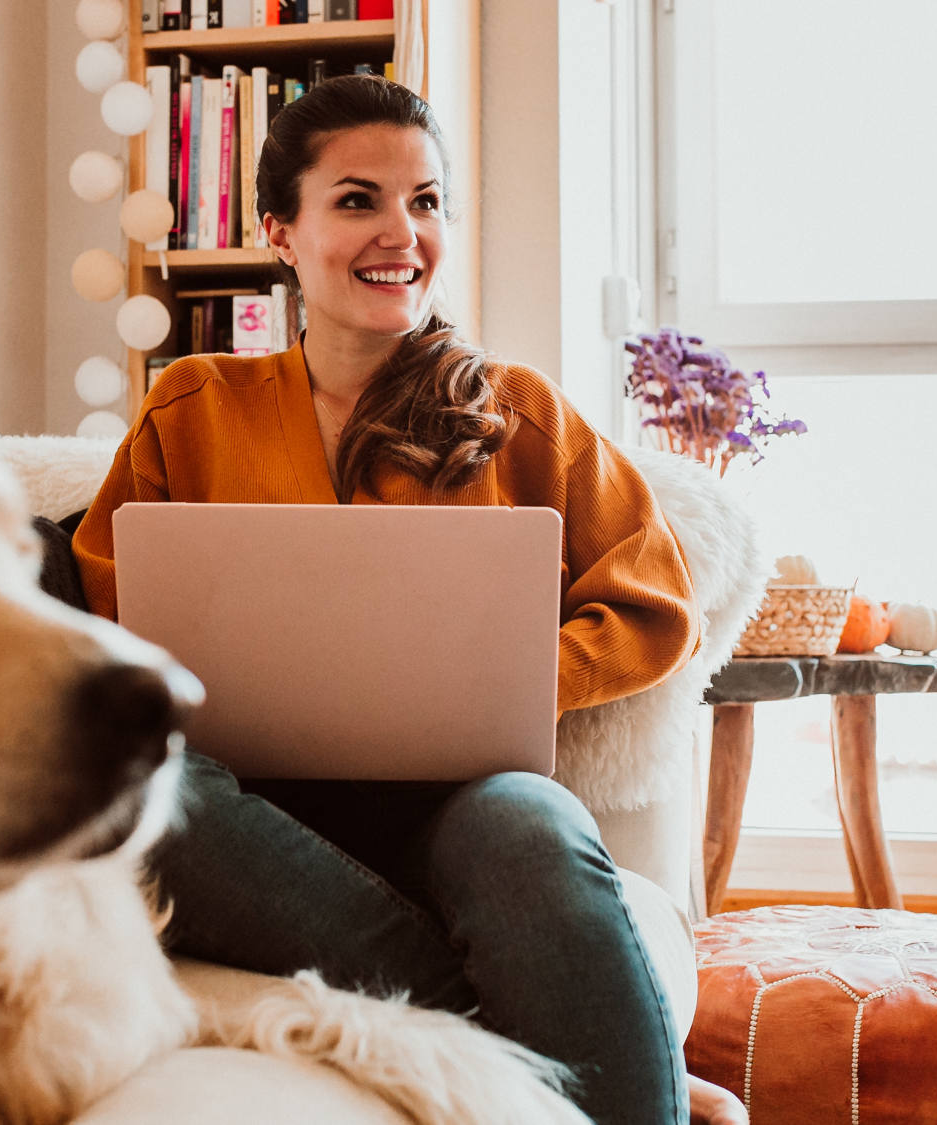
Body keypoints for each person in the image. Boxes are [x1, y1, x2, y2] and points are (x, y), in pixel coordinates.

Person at [73, 75, 746, 1125]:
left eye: (426, 201)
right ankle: (517, 1046)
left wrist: (504, 684)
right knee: (155, 796)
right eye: (357, 200)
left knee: (530, 829)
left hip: (459, 800)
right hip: (254, 815)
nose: (403, 232)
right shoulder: (191, 405)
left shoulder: (515, 410)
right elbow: (107, 609)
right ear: (280, 234)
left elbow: (654, 602)